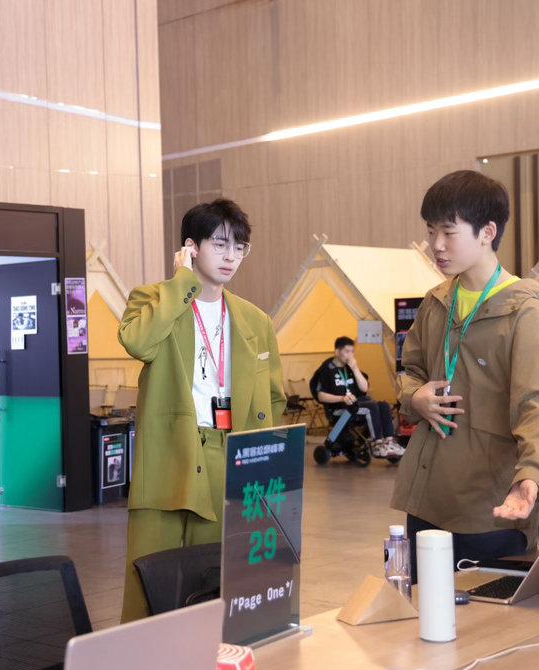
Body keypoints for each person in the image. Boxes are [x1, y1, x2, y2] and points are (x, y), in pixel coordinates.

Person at [393, 170, 539, 577]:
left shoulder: (521, 311)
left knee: (483, 615)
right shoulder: (436, 303)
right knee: (422, 608)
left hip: (489, 510)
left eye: (448, 231)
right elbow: (411, 370)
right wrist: (415, 397)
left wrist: (531, 479)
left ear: (487, 232)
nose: (436, 245)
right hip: (426, 499)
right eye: (430, 231)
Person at [118, 198, 286, 622]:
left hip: (228, 454)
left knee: (215, 575)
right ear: (190, 247)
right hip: (168, 452)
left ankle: (213, 654)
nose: (231, 256)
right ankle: (143, 660)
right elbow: (138, 342)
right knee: (148, 578)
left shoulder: (255, 320)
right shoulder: (154, 299)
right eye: (219, 244)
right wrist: (182, 282)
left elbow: (274, 397)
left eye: (239, 247)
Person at [310, 336, 405, 458]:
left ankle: (389, 442)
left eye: (352, 352)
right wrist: (341, 398)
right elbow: (320, 395)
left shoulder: (350, 368)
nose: (350, 355)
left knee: (383, 405)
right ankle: (377, 444)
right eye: (347, 351)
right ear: (337, 352)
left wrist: (355, 369)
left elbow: (364, 388)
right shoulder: (327, 369)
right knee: (371, 407)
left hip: (355, 405)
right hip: (339, 409)